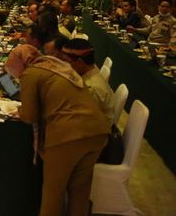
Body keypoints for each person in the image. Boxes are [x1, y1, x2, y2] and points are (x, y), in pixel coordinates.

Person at [6, 44, 109, 216]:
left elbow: (30, 116)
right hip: (97, 132)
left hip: (67, 136)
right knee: (80, 191)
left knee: (53, 193)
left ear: (20, 64)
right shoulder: (55, 65)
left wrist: (20, 110)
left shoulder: (31, 73)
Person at [61, 38, 115, 128]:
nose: (63, 65)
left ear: (79, 62)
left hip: (95, 136)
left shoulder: (91, 89)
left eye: (66, 61)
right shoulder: (90, 70)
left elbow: (82, 124)